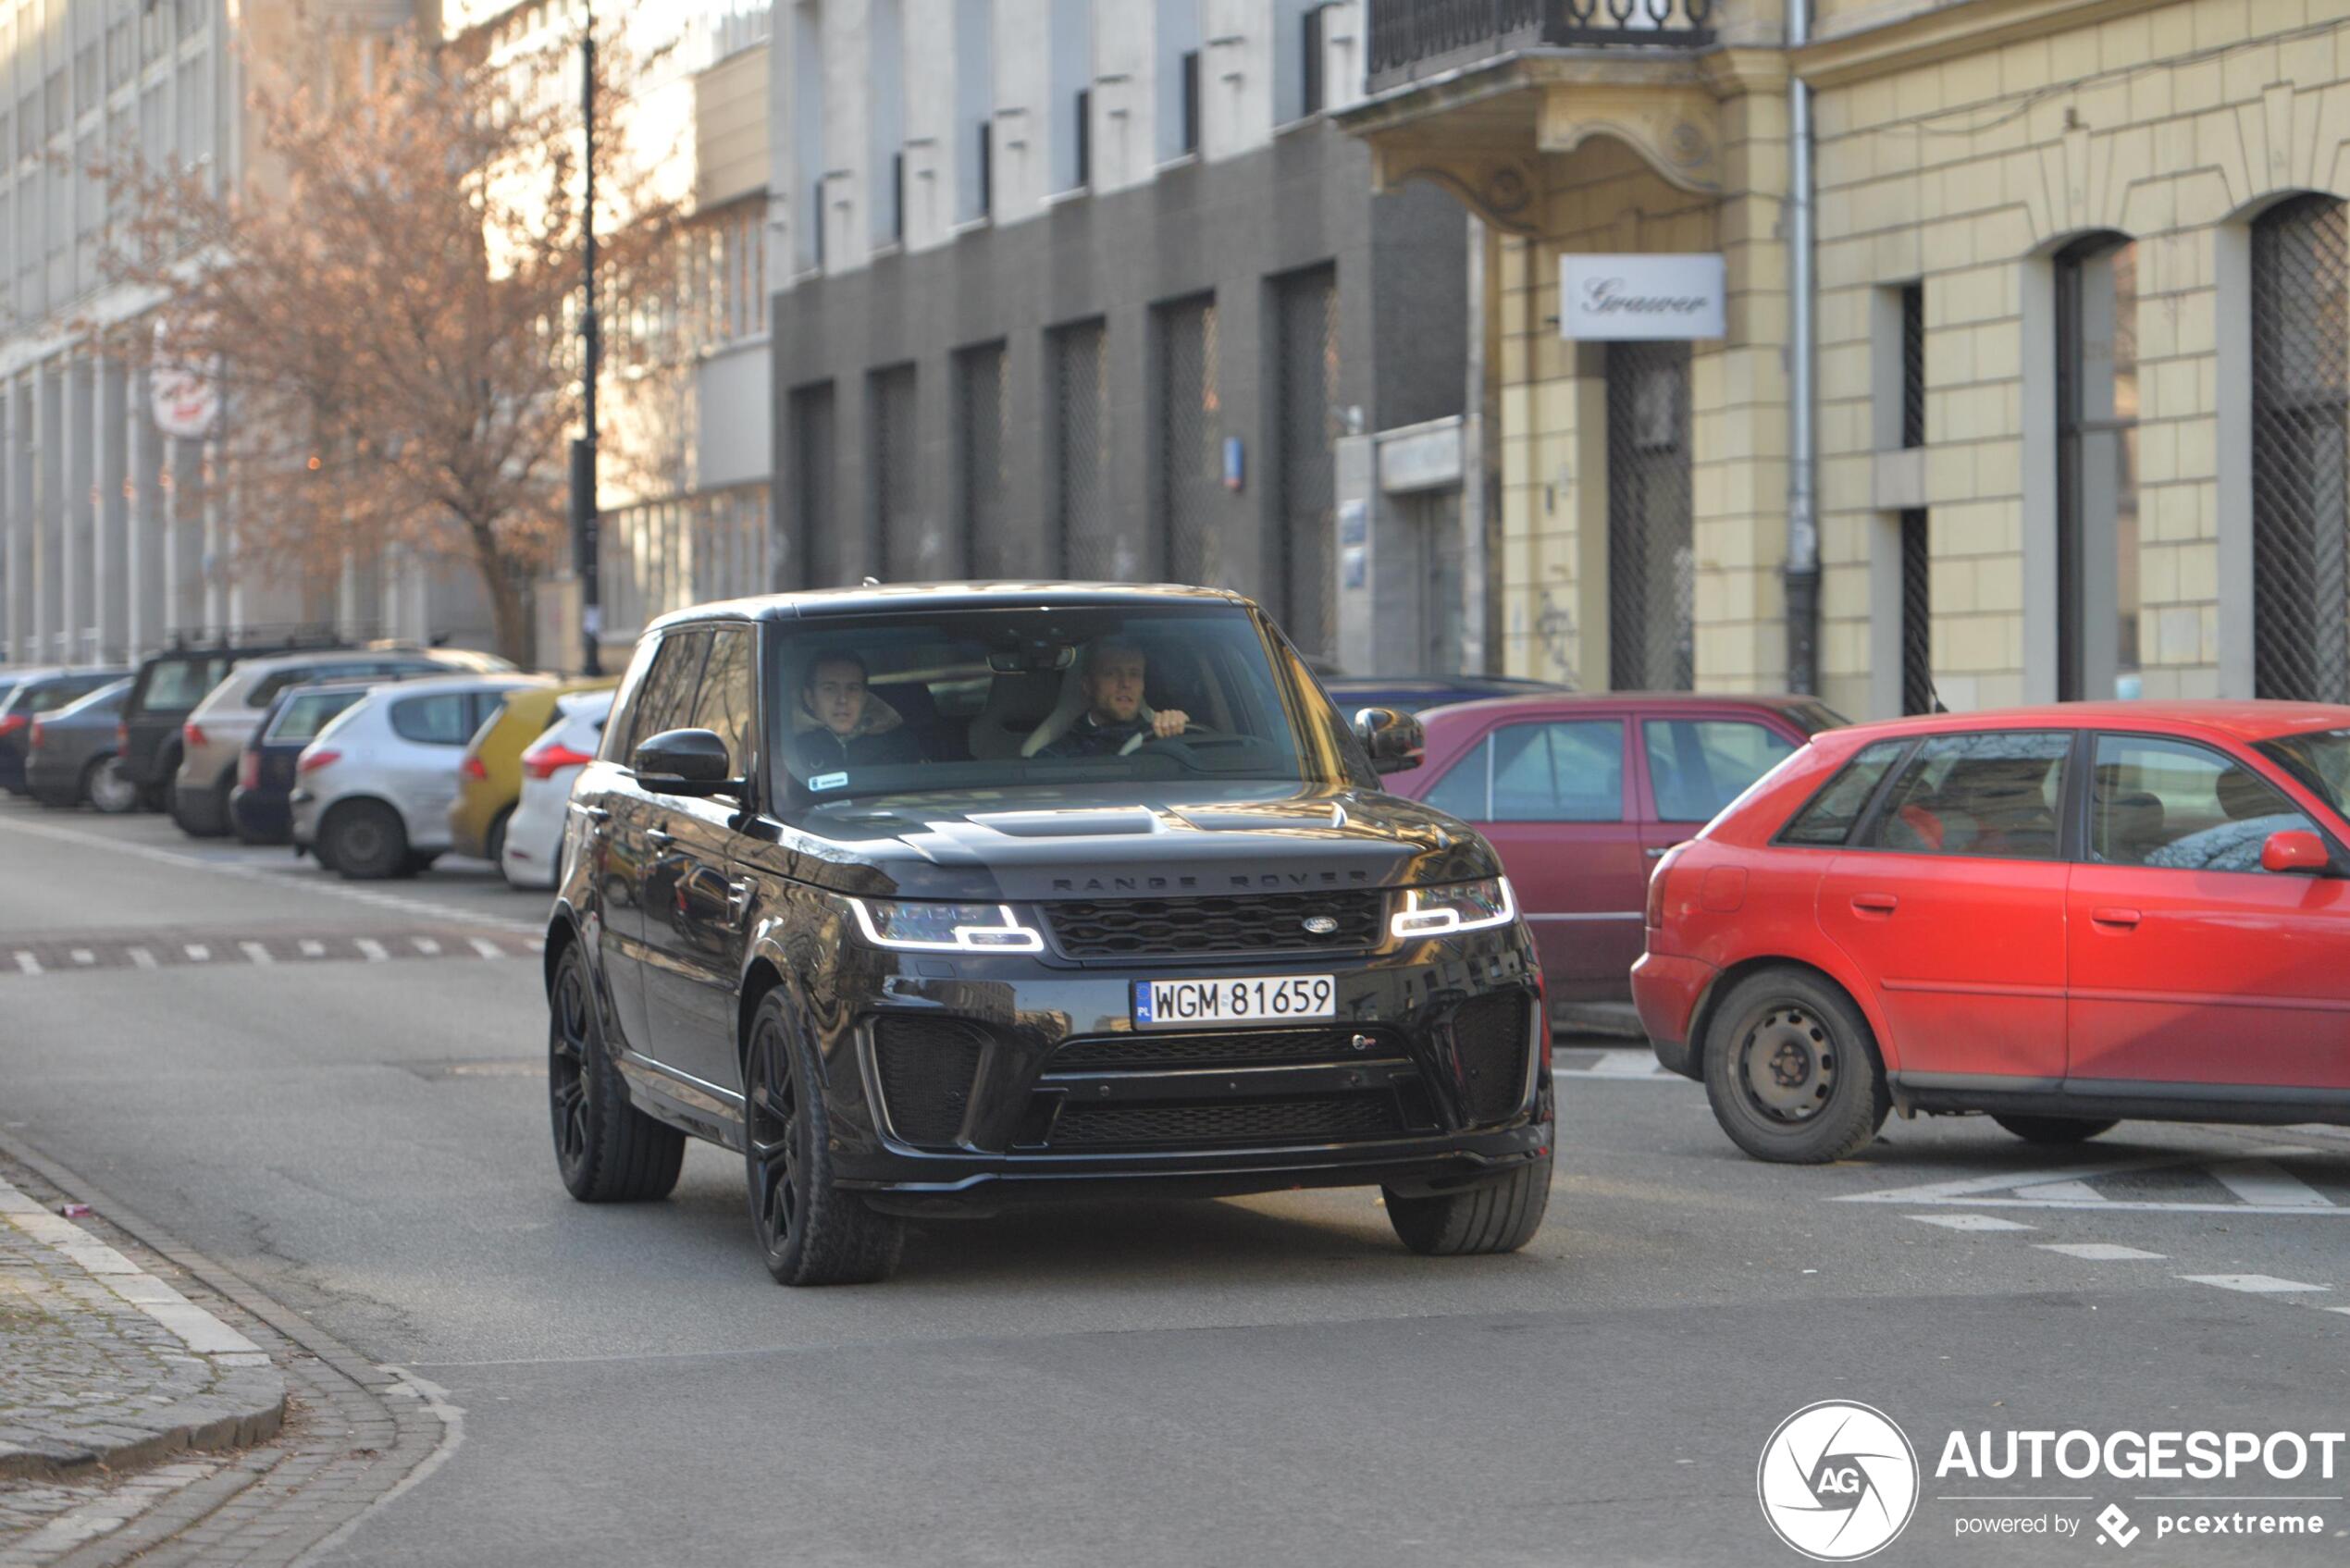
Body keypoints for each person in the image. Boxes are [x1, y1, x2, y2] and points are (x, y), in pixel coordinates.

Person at [1034, 638, 1191, 759]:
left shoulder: (1164, 738)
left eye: (1134, 674)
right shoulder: (1058, 756)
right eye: (1111, 673)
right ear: (1088, 686)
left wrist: (1180, 733)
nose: (1126, 683)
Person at [788, 652, 922, 776]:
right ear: (810, 698)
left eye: (852, 689)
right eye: (830, 689)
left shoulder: (899, 744)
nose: (842, 700)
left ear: (865, 698)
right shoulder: (784, 747)